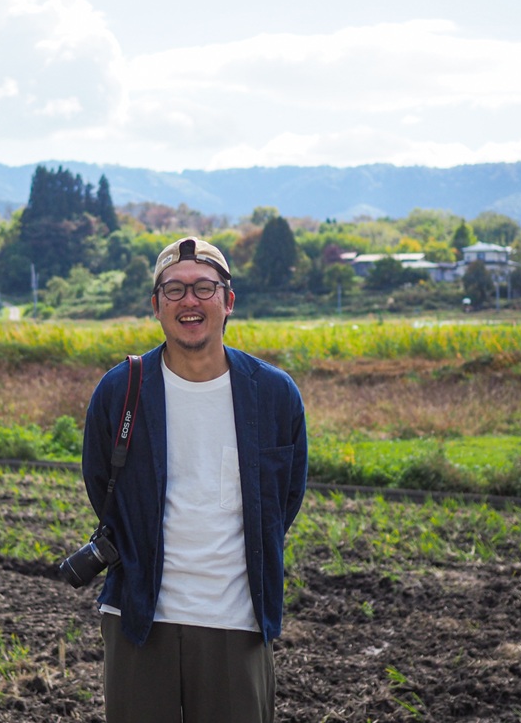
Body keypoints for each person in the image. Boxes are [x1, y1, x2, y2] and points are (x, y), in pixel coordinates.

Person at [81, 236, 308, 723]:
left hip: (237, 620)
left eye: (204, 288)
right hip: (139, 618)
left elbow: (285, 499)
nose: (189, 301)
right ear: (156, 306)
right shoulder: (121, 390)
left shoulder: (274, 395)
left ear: (227, 301)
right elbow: (102, 486)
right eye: (174, 290)